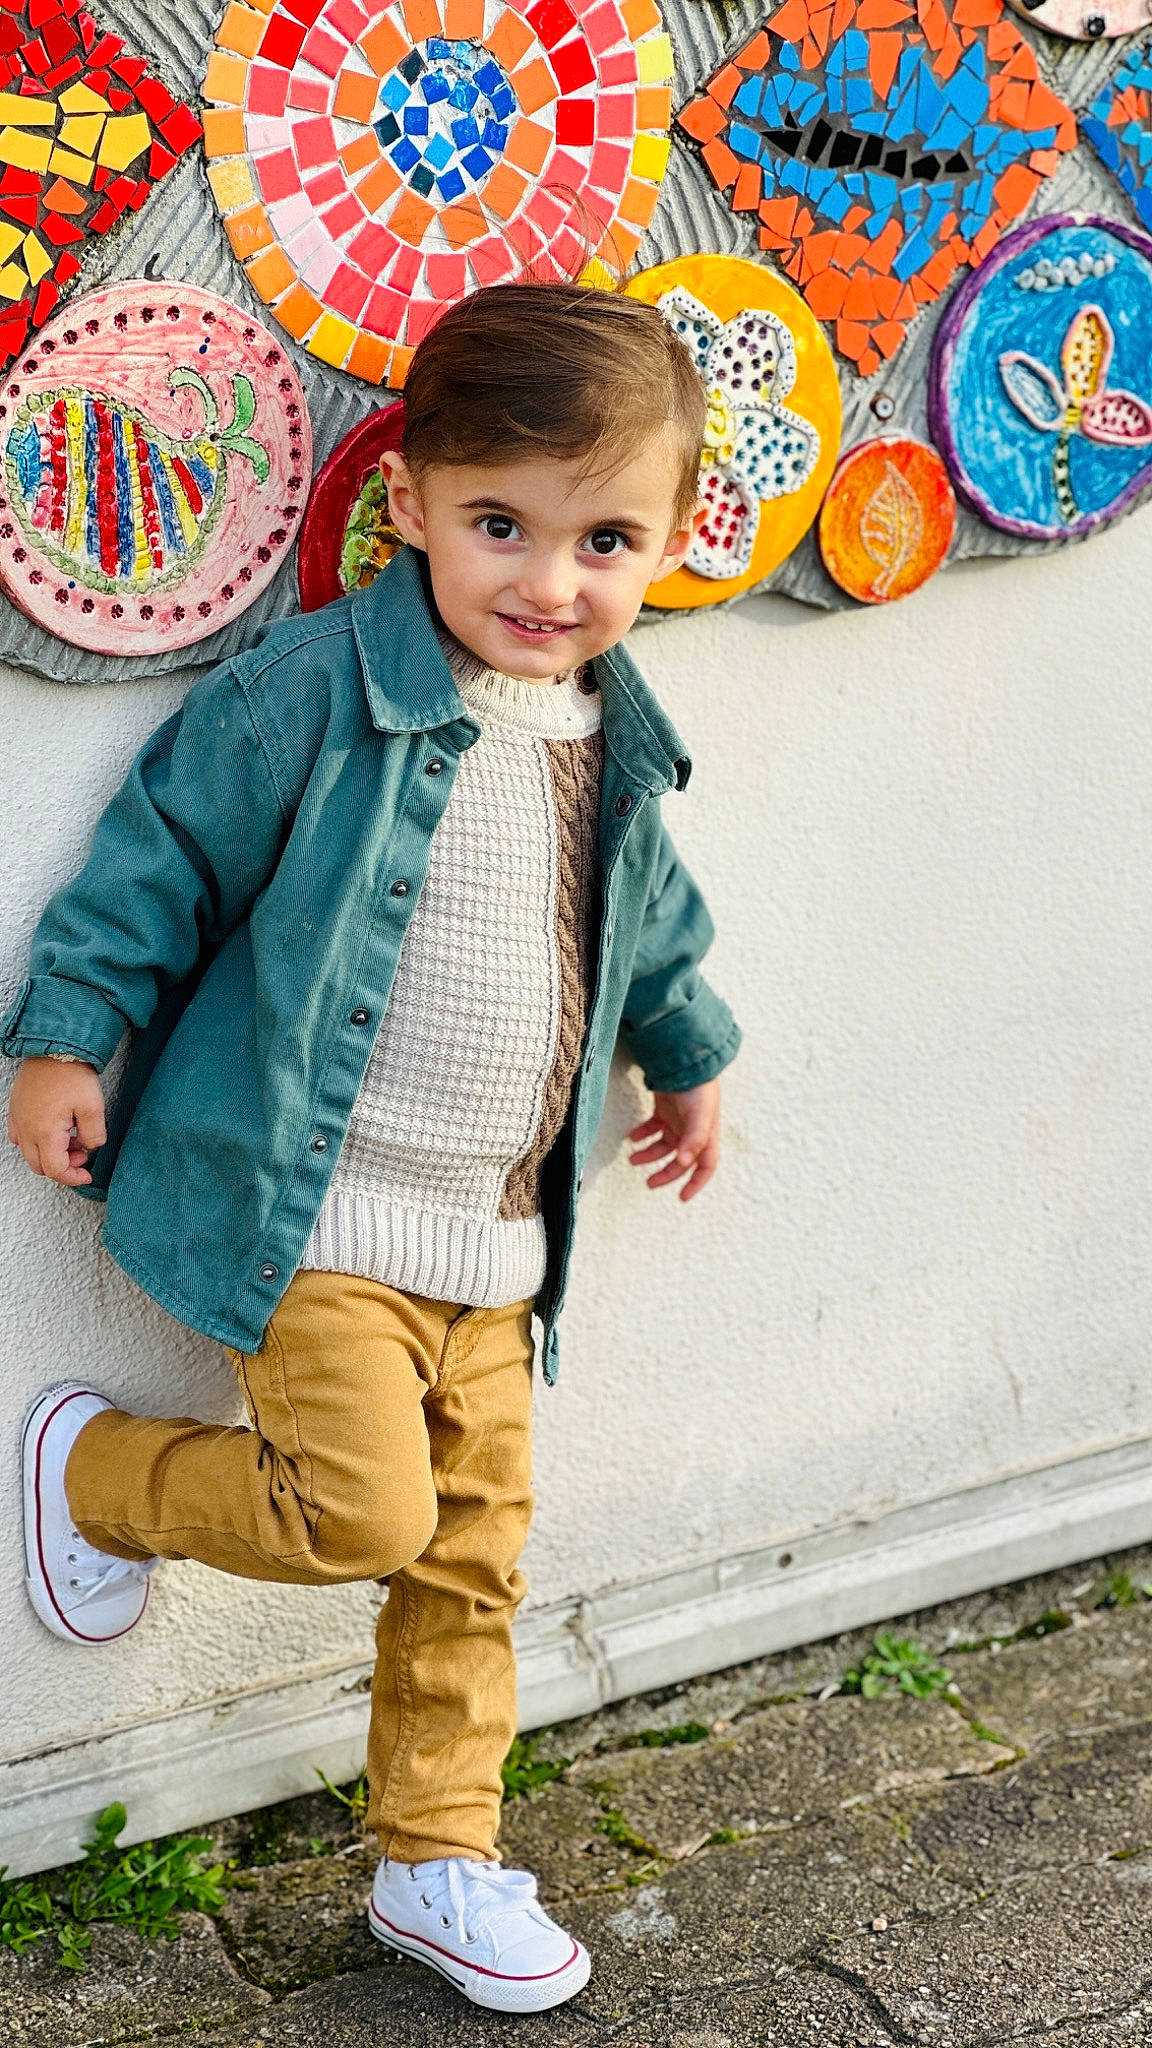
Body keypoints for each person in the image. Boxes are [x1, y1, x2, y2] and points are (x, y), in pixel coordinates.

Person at [3, 281, 741, 2015]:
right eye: (503, 525)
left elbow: (657, 917)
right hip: (320, 1216)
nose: (551, 584)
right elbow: (156, 854)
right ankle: (102, 1470)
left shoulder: (605, 728)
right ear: (407, 503)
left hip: (495, 1252)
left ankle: (437, 1860)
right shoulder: (320, 691)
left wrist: (690, 1052)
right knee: (358, 1512)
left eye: (605, 540)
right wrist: (61, 1035)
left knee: (472, 1564)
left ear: (672, 542)